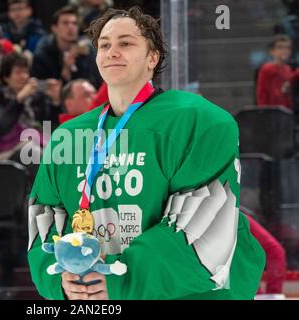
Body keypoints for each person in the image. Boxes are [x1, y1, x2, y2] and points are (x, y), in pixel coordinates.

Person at [27, 6, 266, 300]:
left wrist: (117, 279)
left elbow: (200, 230)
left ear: (152, 58)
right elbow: (45, 224)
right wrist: (63, 279)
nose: (112, 51)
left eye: (125, 43)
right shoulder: (68, 136)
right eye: (104, 45)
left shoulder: (197, 120)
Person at [0, 52, 61, 162]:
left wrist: (55, 102)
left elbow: (49, 127)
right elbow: (2, 126)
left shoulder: (37, 98)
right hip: (9, 149)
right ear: (6, 77)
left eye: (25, 72)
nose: (23, 76)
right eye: (18, 72)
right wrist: (19, 99)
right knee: (33, 152)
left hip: (40, 143)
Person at [30, 5, 102, 88]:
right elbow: (40, 86)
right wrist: (66, 71)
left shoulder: (86, 48)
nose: (71, 27)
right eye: (65, 23)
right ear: (54, 28)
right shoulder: (43, 53)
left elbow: (95, 82)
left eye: (74, 23)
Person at [256, 34, 295, 109]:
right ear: (272, 51)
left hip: (286, 112)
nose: (284, 51)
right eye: (280, 47)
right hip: (272, 112)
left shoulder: (288, 69)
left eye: (288, 48)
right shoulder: (267, 69)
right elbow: (262, 93)